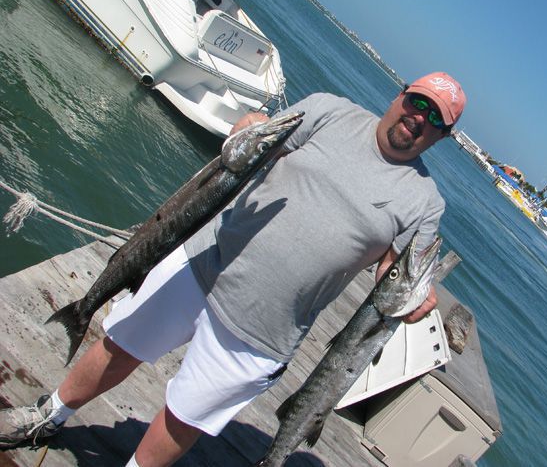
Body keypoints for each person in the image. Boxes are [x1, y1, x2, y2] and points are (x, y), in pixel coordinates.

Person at [0, 72, 466, 466]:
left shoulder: (424, 203)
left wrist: (412, 300)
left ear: (442, 136)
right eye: (418, 102)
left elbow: (393, 273)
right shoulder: (330, 111)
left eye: (435, 118)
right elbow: (261, 144)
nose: (419, 117)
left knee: (185, 416)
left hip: (266, 327)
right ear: (400, 95)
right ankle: (48, 415)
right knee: (121, 343)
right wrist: (246, 129)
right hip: (204, 258)